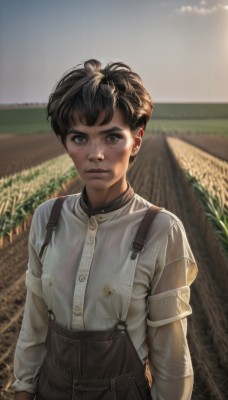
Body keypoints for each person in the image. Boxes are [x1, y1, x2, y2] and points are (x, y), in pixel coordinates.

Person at [13, 59, 197, 400]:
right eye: (80, 138)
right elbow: (35, 326)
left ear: (136, 140)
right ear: (66, 144)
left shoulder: (161, 231)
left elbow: (172, 360)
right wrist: (23, 389)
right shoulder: (46, 219)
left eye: (112, 136)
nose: (95, 154)